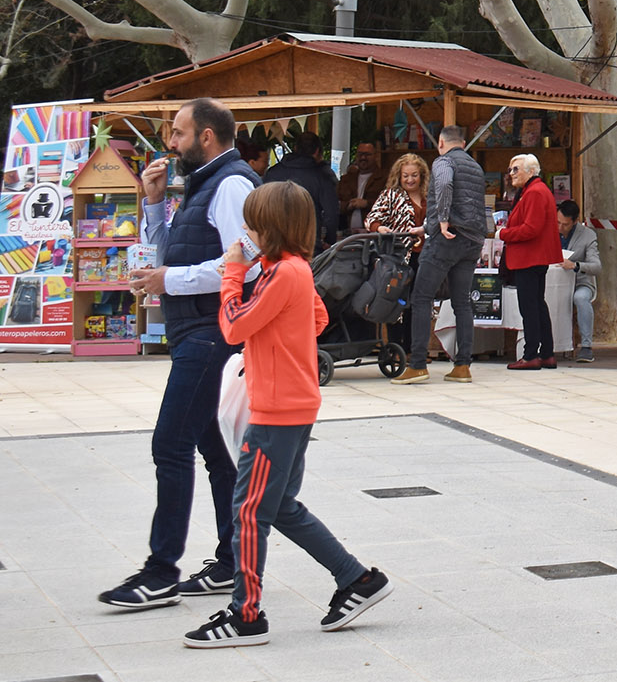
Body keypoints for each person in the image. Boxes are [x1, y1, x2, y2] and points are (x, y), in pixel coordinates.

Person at [181, 181, 391, 648]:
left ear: (270, 227)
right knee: (278, 507)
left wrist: (234, 275)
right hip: (294, 403)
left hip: (276, 410)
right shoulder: (290, 269)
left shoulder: (282, 274)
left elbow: (234, 326)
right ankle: (357, 579)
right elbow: (314, 319)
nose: (248, 231)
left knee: (250, 510)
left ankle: (246, 613)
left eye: (254, 222)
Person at [100, 97, 260, 610]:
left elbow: (246, 264)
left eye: (179, 133)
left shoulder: (232, 184)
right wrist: (151, 203)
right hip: (194, 328)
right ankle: (231, 559)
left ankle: (161, 570)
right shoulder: (201, 184)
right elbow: (168, 253)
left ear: (206, 137)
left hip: (213, 332)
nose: (170, 142)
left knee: (171, 444)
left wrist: (170, 279)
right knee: (213, 450)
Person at [398, 125, 486, 385]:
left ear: (440, 142)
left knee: (421, 297)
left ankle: (417, 365)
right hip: (471, 241)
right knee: (461, 302)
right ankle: (462, 366)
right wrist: (425, 226)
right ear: (464, 142)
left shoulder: (443, 162)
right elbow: (468, 204)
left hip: (446, 240)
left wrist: (443, 220)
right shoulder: (475, 167)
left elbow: (446, 185)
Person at [498, 153, 562, 370]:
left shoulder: (534, 192)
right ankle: (546, 354)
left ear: (531, 171)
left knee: (530, 307)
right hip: (534, 257)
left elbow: (530, 229)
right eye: (510, 169)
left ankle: (531, 355)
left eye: (516, 169)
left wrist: (504, 234)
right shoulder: (534, 190)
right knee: (537, 305)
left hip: (529, 257)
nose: (511, 173)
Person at [260, 132, 342, 248]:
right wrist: (330, 240)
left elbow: (261, 209)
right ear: (317, 151)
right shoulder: (321, 176)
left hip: (274, 243)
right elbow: (331, 213)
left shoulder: (272, 173)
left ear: (295, 148)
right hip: (308, 244)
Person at [557, 199, 600, 362]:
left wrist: (575, 265)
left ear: (575, 221)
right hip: (554, 282)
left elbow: (596, 266)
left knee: (580, 298)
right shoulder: (550, 230)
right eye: (558, 222)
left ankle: (586, 346)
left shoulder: (588, 235)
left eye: (565, 225)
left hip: (580, 282)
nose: (560, 228)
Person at [364, 153, 429, 248]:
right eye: (405, 176)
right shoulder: (391, 195)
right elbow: (370, 220)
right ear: (399, 177)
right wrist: (379, 228)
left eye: (414, 175)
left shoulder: (430, 196)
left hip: (429, 253)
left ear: (421, 176)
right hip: (399, 253)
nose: (410, 180)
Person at [338, 142, 383, 237]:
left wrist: (367, 203)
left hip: (374, 236)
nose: (363, 158)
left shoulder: (385, 179)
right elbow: (334, 204)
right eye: (360, 154)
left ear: (376, 156)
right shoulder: (346, 179)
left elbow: (390, 206)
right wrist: (348, 205)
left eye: (367, 154)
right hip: (347, 235)